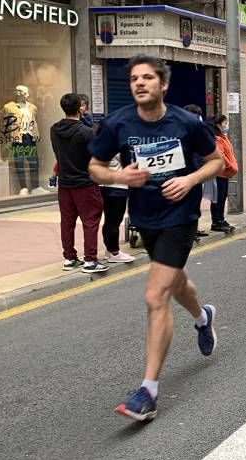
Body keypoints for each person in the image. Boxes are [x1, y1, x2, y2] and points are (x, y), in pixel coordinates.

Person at [88, 55, 223, 421]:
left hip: (181, 216)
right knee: (175, 282)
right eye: (134, 78)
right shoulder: (118, 123)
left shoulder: (186, 122)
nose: (139, 83)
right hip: (145, 217)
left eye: (147, 77)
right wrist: (119, 178)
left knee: (155, 294)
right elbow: (95, 167)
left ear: (163, 85)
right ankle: (202, 316)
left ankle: (147, 391)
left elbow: (216, 162)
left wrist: (190, 180)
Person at [51, 93, 107, 273]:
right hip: (85, 183)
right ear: (80, 108)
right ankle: (90, 260)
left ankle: (69, 258)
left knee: (67, 222)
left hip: (65, 183)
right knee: (90, 221)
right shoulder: (86, 132)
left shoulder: (54, 129)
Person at [100, 151, 135, 263]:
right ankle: (114, 252)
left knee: (109, 220)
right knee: (114, 221)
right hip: (117, 187)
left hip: (105, 185)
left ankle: (109, 249)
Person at [210, 114, 238, 233]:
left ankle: (221, 219)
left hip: (224, 174)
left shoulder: (223, 137)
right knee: (217, 198)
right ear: (218, 125)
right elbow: (221, 156)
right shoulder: (217, 139)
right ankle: (216, 222)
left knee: (222, 198)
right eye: (224, 123)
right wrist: (230, 166)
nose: (226, 126)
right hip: (219, 173)